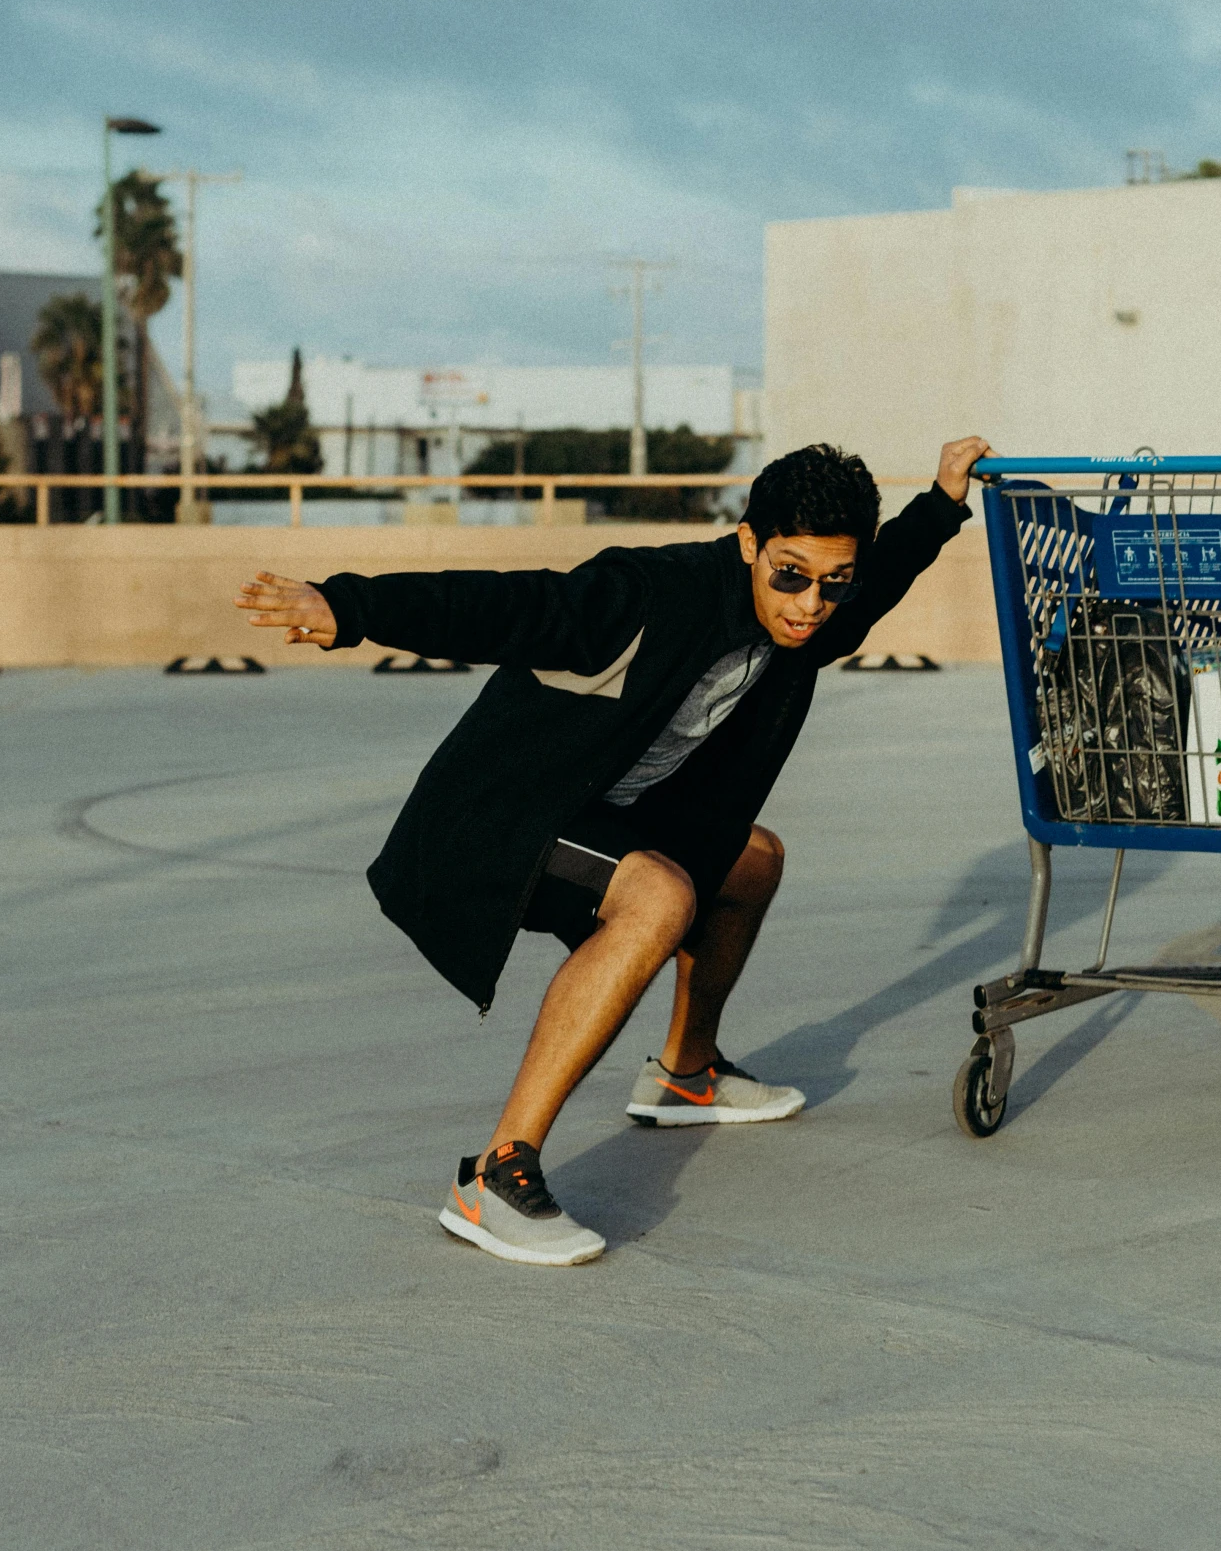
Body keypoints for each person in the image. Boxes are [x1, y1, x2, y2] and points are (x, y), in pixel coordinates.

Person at [234, 436, 991, 1265]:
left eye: (830, 582)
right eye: (791, 574)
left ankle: (685, 1073)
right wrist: (349, 608)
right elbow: (509, 605)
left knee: (752, 861)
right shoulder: (647, 591)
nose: (811, 603)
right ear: (748, 543)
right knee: (660, 897)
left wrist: (944, 501)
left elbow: (880, 579)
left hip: (610, 814)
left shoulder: (813, 615)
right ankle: (494, 1174)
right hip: (503, 813)